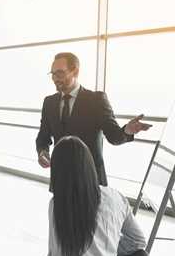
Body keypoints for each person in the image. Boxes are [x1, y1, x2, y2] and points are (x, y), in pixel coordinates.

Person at [46, 136, 151, 256]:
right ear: (89, 165)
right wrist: (108, 247)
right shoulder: (116, 197)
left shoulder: (59, 204)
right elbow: (138, 242)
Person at [36, 52, 151, 186]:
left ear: (75, 72)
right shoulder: (49, 102)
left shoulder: (96, 100)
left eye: (60, 73)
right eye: (53, 74)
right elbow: (43, 136)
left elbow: (114, 136)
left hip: (90, 180)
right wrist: (42, 152)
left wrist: (127, 130)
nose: (55, 78)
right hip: (60, 179)